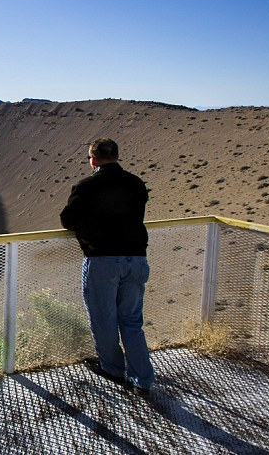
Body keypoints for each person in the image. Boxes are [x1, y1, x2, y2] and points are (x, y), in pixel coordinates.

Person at [60, 138, 154, 395]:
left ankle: (113, 369)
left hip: (102, 260)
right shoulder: (136, 183)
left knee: (104, 318)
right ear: (116, 155)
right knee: (132, 321)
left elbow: (68, 220)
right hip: (136, 259)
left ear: (93, 159)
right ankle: (143, 379)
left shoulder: (87, 186)